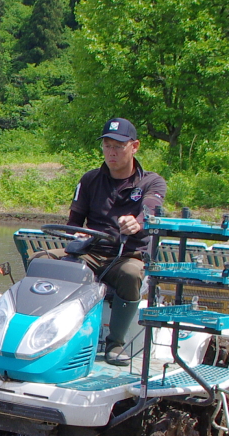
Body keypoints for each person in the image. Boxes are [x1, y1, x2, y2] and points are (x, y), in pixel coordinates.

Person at [34, 117, 167, 365]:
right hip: (90, 252)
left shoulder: (152, 181)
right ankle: (43, 334)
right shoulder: (90, 180)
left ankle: (115, 344)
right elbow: (74, 222)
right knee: (40, 261)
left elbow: (151, 210)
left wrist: (137, 222)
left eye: (118, 146)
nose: (111, 152)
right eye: (107, 145)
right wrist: (77, 235)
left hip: (127, 254)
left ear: (134, 146)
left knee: (130, 273)